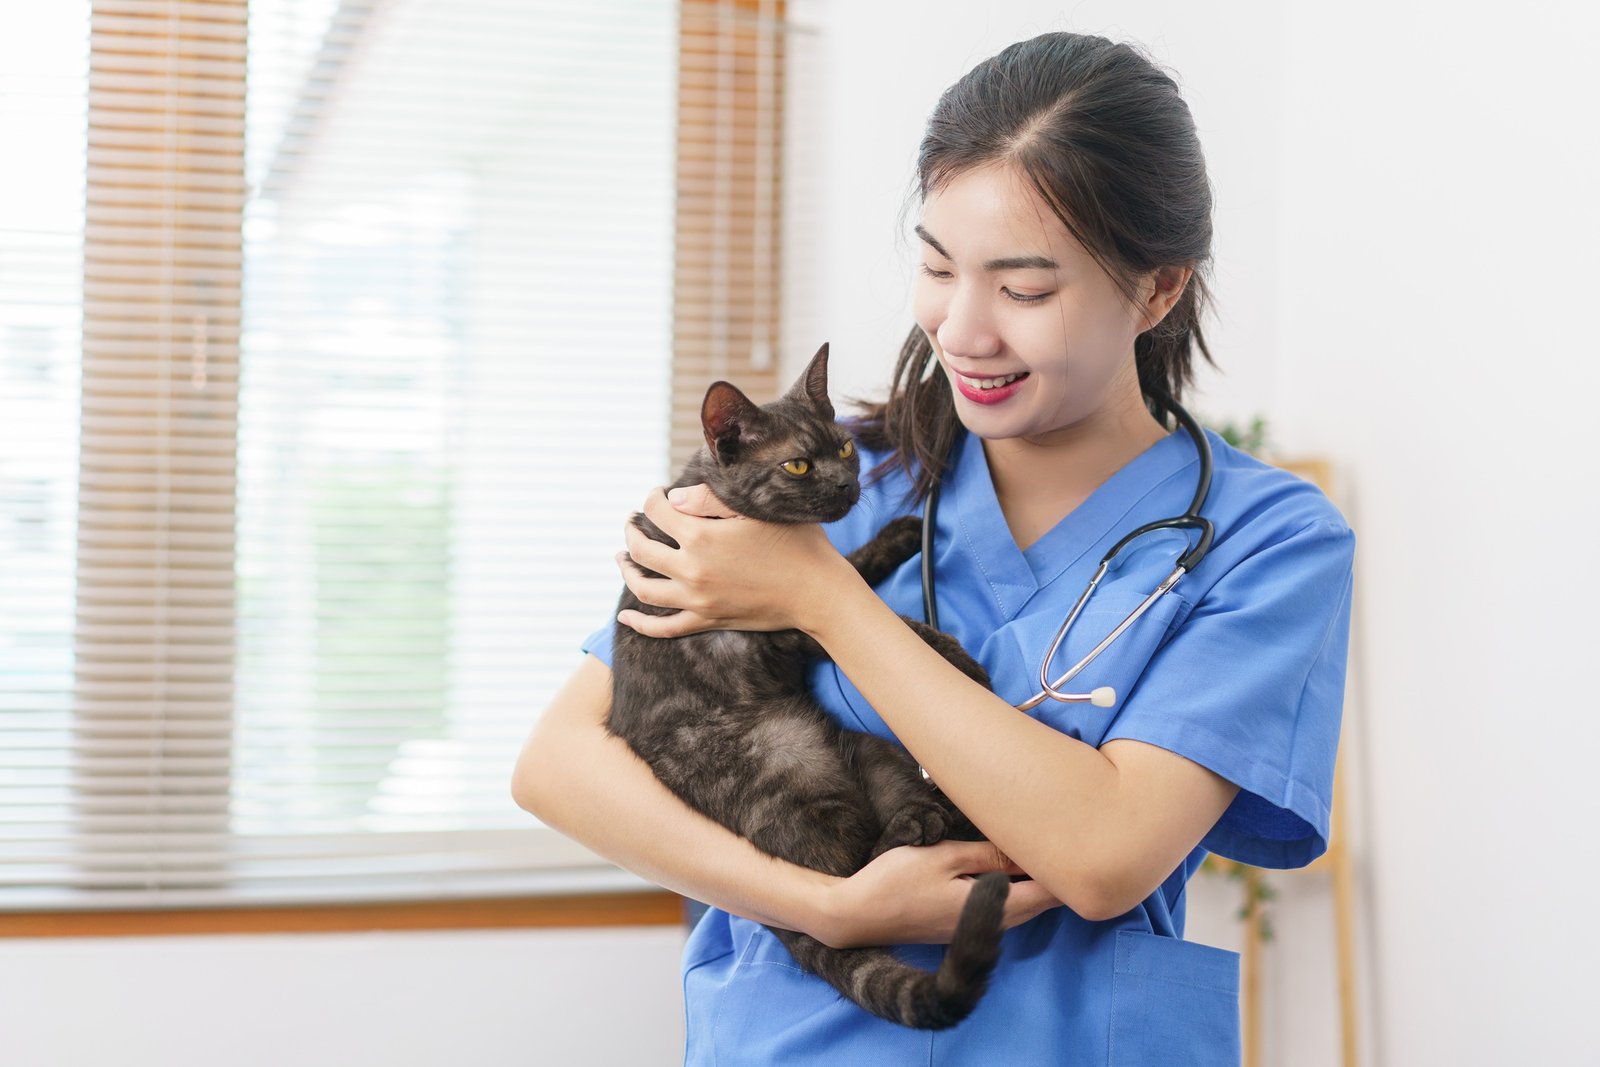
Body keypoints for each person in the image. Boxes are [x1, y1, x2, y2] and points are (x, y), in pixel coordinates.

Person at [513, 30, 1354, 1065]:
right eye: (935, 264)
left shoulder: (1266, 541)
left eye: (1025, 288)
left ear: (1158, 289)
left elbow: (1100, 854)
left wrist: (828, 602)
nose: (961, 328)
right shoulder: (833, 482)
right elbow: (558, 763)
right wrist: (827, 905)